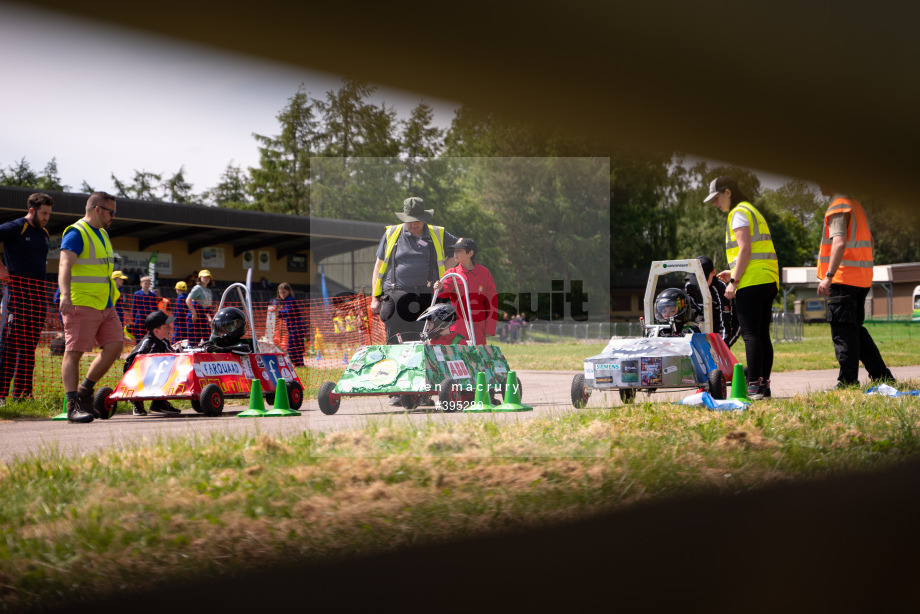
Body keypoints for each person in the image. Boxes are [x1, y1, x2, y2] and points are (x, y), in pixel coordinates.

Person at [369, 197, 458, 405]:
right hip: (396, 293)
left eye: (417, 219)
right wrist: (375, 297)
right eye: (410, 219)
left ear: (424, 218)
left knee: (422, 343)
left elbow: (462, 247)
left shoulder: (437, 233)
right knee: (394, 342)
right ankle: (397, 391)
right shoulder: (392, 233)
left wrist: (446, 265)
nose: (413, 223)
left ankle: (423, 393)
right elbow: (378, 267)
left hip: (426, 295)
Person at [705, 176, 779, 400]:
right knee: (762, 335)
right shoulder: (752, 210)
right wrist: (734, 271)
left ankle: (754, 386)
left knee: (750, 335)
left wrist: (734, 281)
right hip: (768, 279)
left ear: (728, 192)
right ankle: (763, 386)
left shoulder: (737, 213)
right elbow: (753, 251)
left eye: (717, 198)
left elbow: (745, 249)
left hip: (751, 282)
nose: (716, 204)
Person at [816, 192, 895, 388]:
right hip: (861, 279)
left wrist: (829, 276)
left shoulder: (839, 206)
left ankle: (848, 381)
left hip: (843, 279)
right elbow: (871, 241)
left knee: (843, 332)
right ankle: (881, 375)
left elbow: (839, 242)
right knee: (856, 331)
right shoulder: (856, 206)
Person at [58, 192, 124, 423]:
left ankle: (85, 392)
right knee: (73, 353)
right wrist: (65, 295)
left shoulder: (103, 233)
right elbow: (65, 265)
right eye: (111, 212)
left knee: (116, 346)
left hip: (105, 303)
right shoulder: (77, 232)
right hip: (81, 302)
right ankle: (72, 405)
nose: (113, 216)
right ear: (97, 209)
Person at [0, 192, 52, 401]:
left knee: (29, 346)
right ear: (32, 210)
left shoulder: (45, 232)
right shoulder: (16, 227)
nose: (47, 217)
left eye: (49, 213)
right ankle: (1, 395)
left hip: (38, 296)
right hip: (16, 295)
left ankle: (22, 395)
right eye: (43, 213)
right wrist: (1, 268)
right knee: (10, 344)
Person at [433, 237, 497, 345]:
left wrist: (490, 328)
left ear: (470, 253)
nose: (455, 254)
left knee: (478, 358)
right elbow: (443, 293)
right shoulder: (452, 273)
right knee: (459, 357)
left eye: (459, 251)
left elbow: (492, 301)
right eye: (454, 250)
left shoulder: (484, 273)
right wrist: (439, 287)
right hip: (458, 327)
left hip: (479, 327)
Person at [123, 310, 181, 416]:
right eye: (167, 327)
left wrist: (181, 352)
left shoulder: (163, 341)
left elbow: (174, 355)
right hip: (135, 374)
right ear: (156, 331)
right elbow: (135, 362)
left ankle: (159, 403)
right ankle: (137, 401)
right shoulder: (147, 343)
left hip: (154, 372)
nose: (170, 329)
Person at [684, 255, 739, 347]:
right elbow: (690, 311)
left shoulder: (720, 288)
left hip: (726, 324)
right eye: (697, 278)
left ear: (713, 272)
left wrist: (721, 347)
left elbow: (725, 320)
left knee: (720, 350)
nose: (700, 283)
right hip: (702, 322)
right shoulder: (689, 286)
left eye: (703, 279)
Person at [268, 282, 306, 367]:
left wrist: (277, 311)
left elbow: (289, 312)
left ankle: (297, 364)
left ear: (289, 291)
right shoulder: (287, 301)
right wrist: (278, 312)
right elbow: (284, 314)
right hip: (296, 328)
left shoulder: (290, 300)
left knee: (290, 347)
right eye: (280, 293)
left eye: (284, 292)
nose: (282, 295)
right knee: (297, 348)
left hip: (297, 327)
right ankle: (300, 365)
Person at [185, 269, 214, 344]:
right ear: (200, 278)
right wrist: (194, 314)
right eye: (204, 276)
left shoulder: (208, 290)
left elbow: (207, 307)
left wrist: (210, 318)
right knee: (193, 340)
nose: (206, 278)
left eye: (208, 277)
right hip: (196, 318)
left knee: (208, 339)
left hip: (203, 318)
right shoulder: (197, 288)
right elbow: (188, 300)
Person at [131, 276, 159, 340]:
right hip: (139, 320)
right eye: (145, 283)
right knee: (139, 338)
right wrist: (133, 320)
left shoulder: (153, 295)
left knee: (150, 338)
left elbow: (156, 308)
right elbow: (134, 307)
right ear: (141, 284)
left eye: (148, 284)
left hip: (150, 320)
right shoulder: (137, 294)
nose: (147, 285)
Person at [172, 281, 189, 345]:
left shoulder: (180, 298)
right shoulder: (188, 297)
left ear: (177, 289)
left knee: (175, 340)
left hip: (179, 323)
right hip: (186, 322)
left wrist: (175, 319)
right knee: (185, 340)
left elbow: (179, 311)